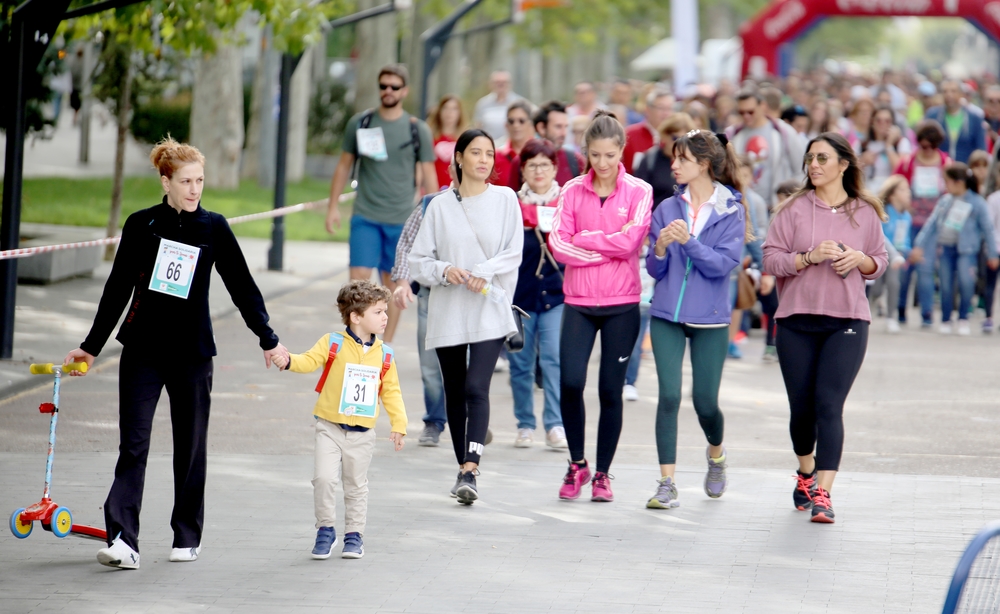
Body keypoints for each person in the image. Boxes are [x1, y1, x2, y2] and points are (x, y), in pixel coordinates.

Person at [65, 138, 290, 569]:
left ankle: (186, 535)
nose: (194, 189)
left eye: (199, 180)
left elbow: (243, 287)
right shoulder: (142, 224)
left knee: (190, 446)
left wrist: (269, 338)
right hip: (143, 352)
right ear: (165, 181)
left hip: (193, 354)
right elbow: (116, 290)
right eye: (185, 181)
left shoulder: (214, 226)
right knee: (133, 445)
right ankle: (123, 541)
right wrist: (91, 347)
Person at [762, 132, 889, 524]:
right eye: (810, 159)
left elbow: (881, 261)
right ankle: (805, 472)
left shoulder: (865, 211)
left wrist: (861, 260)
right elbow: (770, 259)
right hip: (796, 322)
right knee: (802, 411)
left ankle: (823, 493)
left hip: (847, 322)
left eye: (822, 158)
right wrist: (806, 257)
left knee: (829, 406)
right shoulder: (792, 209)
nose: (813, 165)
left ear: (843, 165)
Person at [409, 129, 523, 505]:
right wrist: (444, 271)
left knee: (477, 388)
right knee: (455, 391)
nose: (484, 160)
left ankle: (471, 467)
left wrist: (483, 270)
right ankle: (463, 470)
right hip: (449, 310)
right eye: (475, 152)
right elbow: (418, 261)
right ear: (458, 158)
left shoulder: (506, 199)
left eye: (489, 154)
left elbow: (513, 252)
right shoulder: (439, 206)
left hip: (489, 305)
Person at [548, 111, 653, 503]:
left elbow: (631, 243)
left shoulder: (640, 191)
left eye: (610, 155)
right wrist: (602, 246)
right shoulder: (572, 190)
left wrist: (586, 240)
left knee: (611, 389)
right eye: (595, 155)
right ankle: (577, 464)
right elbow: (559, 244)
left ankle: (604, 475)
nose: (603, 163)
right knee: (571, 382)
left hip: (622, 305)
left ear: (622, 151)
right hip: (578, 303)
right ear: (586, 153)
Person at [642, 130, 749, 509]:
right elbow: (654, 269)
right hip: (666, 314)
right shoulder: (665, 208)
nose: (673, 165)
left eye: (681, 159)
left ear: (703, 164)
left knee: (704, 402)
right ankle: (666, 484)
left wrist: (688, 241)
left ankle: (716, 455)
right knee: (668, 396)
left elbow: (722, 267)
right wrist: (658, 248)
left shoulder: (731, 210)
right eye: (674, 158)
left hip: (711, 319)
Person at [270, 281, 406, 560]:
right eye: (379, 312)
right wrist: (288, 361)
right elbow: (308, 361)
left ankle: (354, 535)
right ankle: (326, 529)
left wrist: (399, 425)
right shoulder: (332, 343)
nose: (385, 317)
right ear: (356, 317)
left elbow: (391, 391)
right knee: (323, 479)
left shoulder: (385, 354)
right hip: (329, 427)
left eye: (385, 311)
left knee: (356, 484)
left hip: (363, 433)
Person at [325, 64, 437, 344]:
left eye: (394, 87)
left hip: (401, 220)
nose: (388, 91)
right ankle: (356, 344)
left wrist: (434, 219)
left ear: (404, 91)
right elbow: (343, 166)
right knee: (358, 285)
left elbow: (430, 174)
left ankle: (383, 348)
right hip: (366, 215)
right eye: (383, 86)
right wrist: (332, 207)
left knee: (393, 287)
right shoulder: (361, 123)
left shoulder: (417, 129)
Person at [507, 139, 567, 449]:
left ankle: (555, 423)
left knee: (554, 359)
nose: (539, 171)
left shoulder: (568, 202)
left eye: (545, 164)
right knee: (520, 362)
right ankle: (524, 423)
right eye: (532, 165)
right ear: (523, 171)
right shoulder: (511, 205)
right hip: (521, 297)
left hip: (557, 296)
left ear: (555, 168)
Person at [391, 184, 449, 446]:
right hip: (431, 293)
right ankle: (434, 421)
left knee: (470, 367)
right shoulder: (430, 204)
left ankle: (470, 418)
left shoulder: (492, 202)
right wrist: (403, 281)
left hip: (472, 296)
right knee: (430, 365)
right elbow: (406, 244)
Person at [911, 163, 999, 335]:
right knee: (945, 284)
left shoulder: (977, 202)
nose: (946, 186)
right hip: (946, 249)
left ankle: (963, 317)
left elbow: (987, 229)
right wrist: (919, 245)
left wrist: (992, 253)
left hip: (967, 250)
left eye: (948, 182)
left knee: (967, 282)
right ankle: (946, 318)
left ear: (959, 182)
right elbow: (931, 225)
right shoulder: (945, 201)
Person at [893, 120, 950, 327]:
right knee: (903, 265)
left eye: (932, 147)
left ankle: (926, 312)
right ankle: (900, 308)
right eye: (923, 146)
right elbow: (895, 183)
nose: (927, 151)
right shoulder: (908, 162)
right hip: (908, 220)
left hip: (933, 223)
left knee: (925, 268)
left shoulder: (946, 163)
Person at [728, 90, 806, 206]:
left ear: (763, 106)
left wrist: (792, 198)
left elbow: (801, 168)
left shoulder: (782, 131)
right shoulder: (733, 134)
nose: (746, 116)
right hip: (744, 205)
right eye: (741, 112)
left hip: (777, 204)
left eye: (750, 111)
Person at [506, 100, 586, 189]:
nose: (564, 133)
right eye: (558, 126)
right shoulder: (521, 161)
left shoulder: (576, 161)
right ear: (541, 128)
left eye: (566, 127)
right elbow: (513, 199)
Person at [759, 180, 798, 362]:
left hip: (795, 275)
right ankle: (771, 344)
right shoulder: (775, 218)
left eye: (783, 199)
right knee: (773, 308)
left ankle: (784, 346)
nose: (779, 203)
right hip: (776, 272)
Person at [870, 175, 913, 334]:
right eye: (903, 189)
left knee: (894, 284)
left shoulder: (906, 216)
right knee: (877, 288)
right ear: (892, 194)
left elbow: (906, 238)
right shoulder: (884, 213)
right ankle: (871, 306)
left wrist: (904, 251)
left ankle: (891, 317)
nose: (908, 193)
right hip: (880, 255)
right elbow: (880, 235)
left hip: (896, 258)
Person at [633, 113, 696, 213]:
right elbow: (638, 195)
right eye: (675, 138)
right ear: (664, 135)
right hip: (654, 219)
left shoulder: (693, 162)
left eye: (684, 139)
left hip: (684, 220)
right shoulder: (650, 159)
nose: (679, 143)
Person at [925, 80, 987, 164]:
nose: (949, 95)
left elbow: (981, 148)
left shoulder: (974, 117)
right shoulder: (933, 115)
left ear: (961, 94)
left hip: (965, 168)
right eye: (945, 91)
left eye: (953, 91)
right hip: (940, 168)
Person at [623, 87, 674, 174]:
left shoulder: (676, 137)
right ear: (648, 109)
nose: (666, 113)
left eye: (669, 108)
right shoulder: (629, 134)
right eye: (661, 108)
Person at [859, 105, 910, 193]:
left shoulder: (901, 143)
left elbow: (902, 171)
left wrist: (889, 146)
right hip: (868, 192)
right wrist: (862, 161)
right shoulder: (862, 145)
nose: (883, 124)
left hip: (891, 194)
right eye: (879, 120)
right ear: (872, 122)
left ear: (893, 123)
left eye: (887, 121)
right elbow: (850, 171)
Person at [427, 95, 465, 190]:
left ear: (460, 113)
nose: (449, 113)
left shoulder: (464, 139)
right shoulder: (429, 136)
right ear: (439, 111)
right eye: (446, 108)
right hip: (432, 191)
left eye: (454, 109)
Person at [494, 100, 535, 189]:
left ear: (530, 124)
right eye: (511, 121)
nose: (516, 125)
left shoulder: (541, 153)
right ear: (506, 125)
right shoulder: (495, 157)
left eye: (521, 121)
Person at [474, 70, 524, 141]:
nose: (501, 85)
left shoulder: (519, 103)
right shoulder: (482, 104)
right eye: (497, 82)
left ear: (510, 84)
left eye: (504, 82)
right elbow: (478, 128)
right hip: (489, 146)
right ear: (491, 84)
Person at [983, 161, 1000, 331]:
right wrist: (991, 251)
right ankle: (988, 317)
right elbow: (989, 227)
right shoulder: (993, 199)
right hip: (996, 249)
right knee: (990, 285)